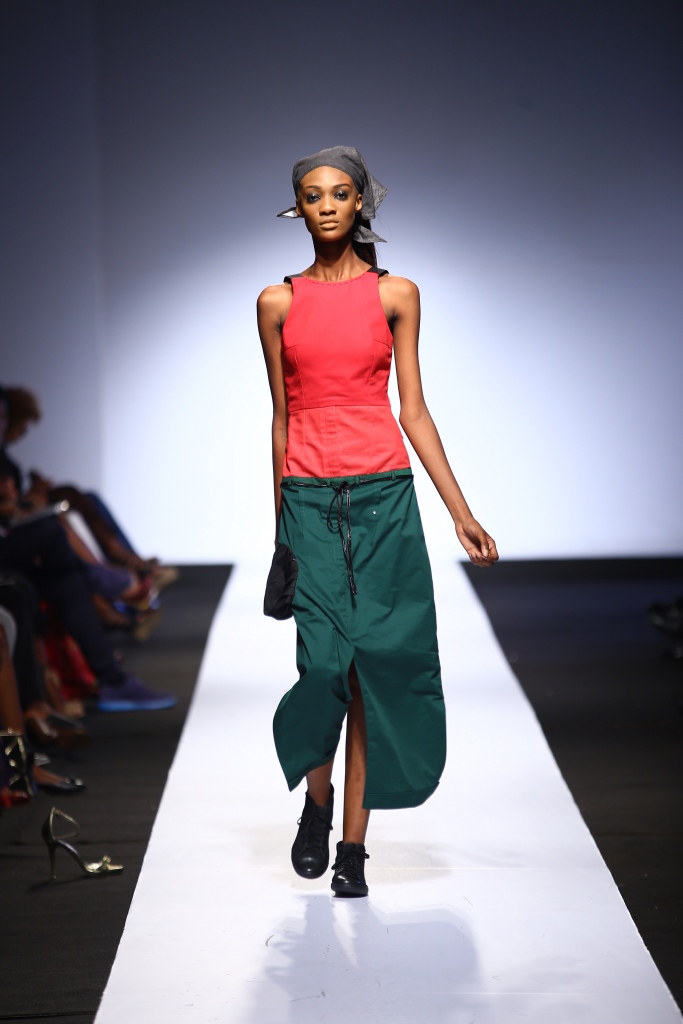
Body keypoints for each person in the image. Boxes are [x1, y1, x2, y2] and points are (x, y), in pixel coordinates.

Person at [258, 146, 498, 898]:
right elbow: (281, 419)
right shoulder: (276, 302)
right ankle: (317, 798)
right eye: (312, 195)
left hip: (384, 497)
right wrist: (281, 532)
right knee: (322, 669)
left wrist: (460, 512)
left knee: (372, 676)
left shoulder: (397, 293)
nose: (326, 205)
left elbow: (413, 409)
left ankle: (353, 849)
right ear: (298, 208)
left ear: (360, 201)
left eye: (339, 193)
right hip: (308, 501)